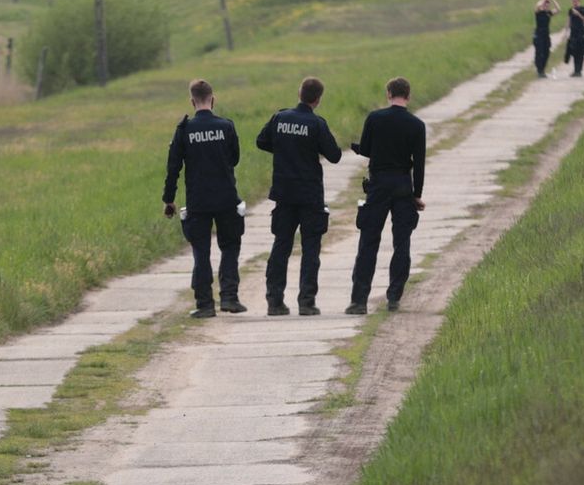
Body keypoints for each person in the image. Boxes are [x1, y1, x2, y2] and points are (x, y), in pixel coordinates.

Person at [256, 75, 342, 316]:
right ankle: (306, 301)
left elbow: (261, 141)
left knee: (281, 246)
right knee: (310, 248)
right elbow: (335, 155)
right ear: (318, 99)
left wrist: (284, 149)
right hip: (310, 194)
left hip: (283, 193)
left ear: (300, 94)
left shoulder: (280, 117)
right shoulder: (317, 124)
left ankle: (274, 302)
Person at [162, 78, 247, 318]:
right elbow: (234, 159)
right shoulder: (226, 126)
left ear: (192, 101)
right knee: (230, 247)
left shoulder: (184, 130)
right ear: (213, 99)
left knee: (201, 251)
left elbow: (173, 167)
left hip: (198, 200)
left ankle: (205, 305)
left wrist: (169, 200)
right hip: (226, 198)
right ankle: (230, 298)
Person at [346, 76, 427, 314]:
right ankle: (393, 297)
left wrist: (358, 148)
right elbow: (419, 164)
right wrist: (416, 194)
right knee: (402, 243)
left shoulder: (375, 118)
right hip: (403, 185)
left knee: (368, 241)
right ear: (408, 96)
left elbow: (368, 150)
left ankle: (359, 301)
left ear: (388, 94)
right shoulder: (417, 125)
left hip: (378, 185)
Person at [533, 0, 561, 77]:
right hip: (539, 34)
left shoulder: (549, 13)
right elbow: (537, 6)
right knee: (539, 52)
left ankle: (543, 70)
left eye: (547, 5)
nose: (546, 6)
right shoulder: (538, 12)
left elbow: (558, 9)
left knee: (546, 52)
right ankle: (539, 70)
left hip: (546, 34)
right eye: (545, 5)